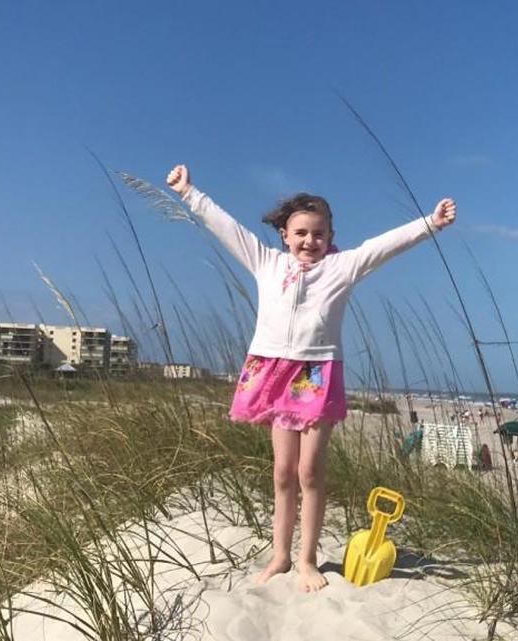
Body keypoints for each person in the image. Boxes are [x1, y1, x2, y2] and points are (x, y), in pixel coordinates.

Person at [167, 164, 456, 591]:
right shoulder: (265, 261)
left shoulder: (342, 267)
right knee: (282, 472)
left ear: (330, 236)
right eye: (301, 233)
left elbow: (385, 245)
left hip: (317, 372)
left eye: (318, 234)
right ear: (285, 234)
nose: (309, 241)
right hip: (273, 370)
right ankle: (280, 555)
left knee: (309, 471)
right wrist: (189, 192)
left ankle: (307, 559)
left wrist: (431, 223)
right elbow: (224, 227)